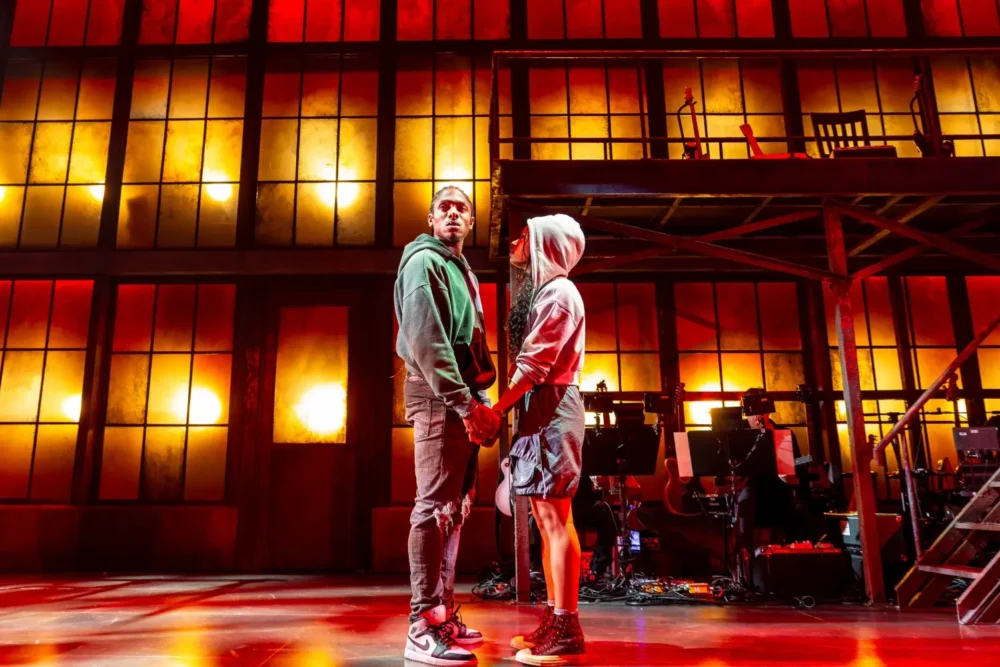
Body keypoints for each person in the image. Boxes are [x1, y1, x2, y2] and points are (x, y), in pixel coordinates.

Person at [395, 185, 501, 666]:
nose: (454, 213)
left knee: (455, 508)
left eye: (462, 208)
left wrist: (479, 399)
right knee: (433, 505)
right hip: (439, 393)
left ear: (471, 222)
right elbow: (426, 339)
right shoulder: (424, 262)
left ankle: (440, 613)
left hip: (461, 392)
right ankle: (421, 624)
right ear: (432, 217)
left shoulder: (460, 268)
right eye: (445, 207)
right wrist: (463, 403)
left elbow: (468, 340)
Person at [492, 214, 588, 666]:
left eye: (525, 236)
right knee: (545, 516)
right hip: (542, 407)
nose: (516, 241)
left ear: (546, 244)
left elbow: (534, 367)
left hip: (553, 405)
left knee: (555, 519)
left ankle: (567, 626)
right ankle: (555, 617)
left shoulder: (560, 292)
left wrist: (494, 410)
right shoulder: (548, 294)